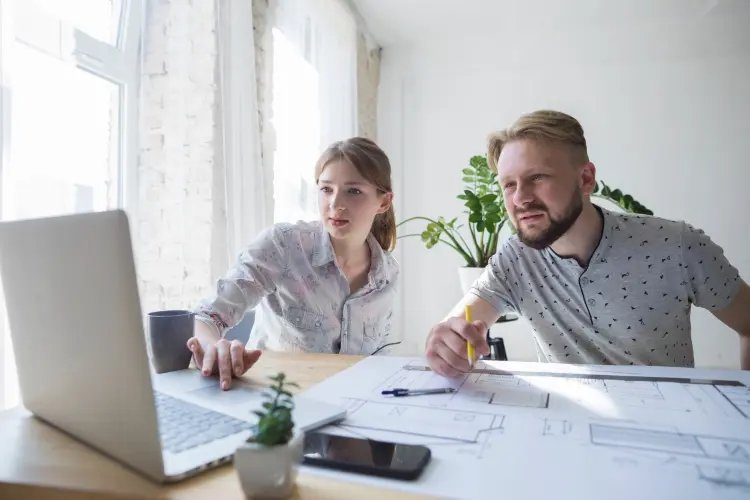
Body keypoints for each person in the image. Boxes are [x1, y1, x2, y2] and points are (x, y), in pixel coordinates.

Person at [426, 110, 750, 377]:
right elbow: (457, 325)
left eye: (537, 177)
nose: (520, 197)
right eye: (509, 184)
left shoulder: (676, 246)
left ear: (585, 179)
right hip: (569, 436)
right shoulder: (515, 260)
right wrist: (447, 341)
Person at [188, 137, 400, 390]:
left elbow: (376, 362)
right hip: (275, 405)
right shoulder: (282, 245)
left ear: (384, 202)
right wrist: (214, 348)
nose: (335, 204)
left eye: (353, 191)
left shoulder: (387, 274)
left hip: (351, 408)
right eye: (326, 189)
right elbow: (205, 317)